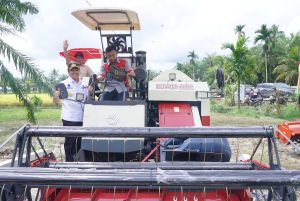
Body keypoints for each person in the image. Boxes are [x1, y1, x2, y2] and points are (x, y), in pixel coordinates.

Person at [53, 62, 88, 162]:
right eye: (72, 70)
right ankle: (69, 164)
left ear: (79, 71)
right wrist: (55, 96)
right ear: (68, 72)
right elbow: (55, 102)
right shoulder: (63, 84)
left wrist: (90, 91)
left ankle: (78, 162)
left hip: (82, 118)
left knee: (80, 142)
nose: (75, 72)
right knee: (70, 143)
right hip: (69, 118)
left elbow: (87, 100)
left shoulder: (84, 85)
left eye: (76, 70)